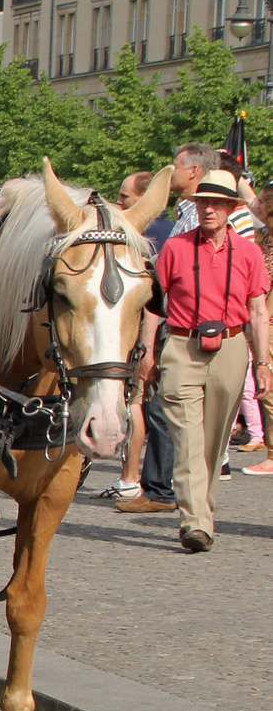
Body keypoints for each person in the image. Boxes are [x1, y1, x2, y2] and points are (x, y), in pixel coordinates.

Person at [139, 170, 273, 552]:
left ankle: (203, 512)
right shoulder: (176, 248)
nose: (208, 209)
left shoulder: (248, 252)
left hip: (231, 347)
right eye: (203, 202)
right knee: (186, 438)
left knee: (213, 442)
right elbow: (154, 306)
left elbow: (259, 311)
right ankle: (195, 521)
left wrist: (263, 363)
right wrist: (147, 352)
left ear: (232, 208)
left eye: (216, 203)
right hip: (182, 346)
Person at [98, 172, 175, 503]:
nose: (119, 202)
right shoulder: (169, 230)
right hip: (151, 331)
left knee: (137, 403)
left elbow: (153, 295)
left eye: (124, 196)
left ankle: (131, 478)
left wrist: (145, 347)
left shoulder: (144, 234)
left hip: (143, 331)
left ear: (144, 200)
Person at [244, 189, 273, 477]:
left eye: (263, 201)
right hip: (263, 318)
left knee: (269, 390)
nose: (257, 205)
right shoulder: (266, 234)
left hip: (270, 320)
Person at [168, 143, 219, 235]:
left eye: (175, 167)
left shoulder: (195, 216)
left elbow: (197, 249)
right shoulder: (190, 213)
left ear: (193, 171)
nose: (170, 172)